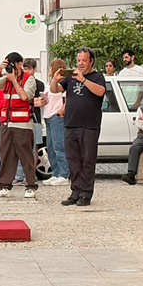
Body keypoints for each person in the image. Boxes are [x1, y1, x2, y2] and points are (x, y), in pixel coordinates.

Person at [50, 47, 106, 206]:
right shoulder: (71, 77)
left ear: (91, 61)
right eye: (79, 60)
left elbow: (101, 91)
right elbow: (55, 90)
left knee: (87, 160)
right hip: (70, 123)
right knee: (72, 160)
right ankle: (75, 191)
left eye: (84, 60)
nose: (80, 63)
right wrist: (55, 79)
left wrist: (83, 80)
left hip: (89, 125)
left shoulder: (97, 76)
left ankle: (86, 193)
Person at [0, 52, 38, 199]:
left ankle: (30, 186)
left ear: (20, 64)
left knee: (26, 157)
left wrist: (14, 80)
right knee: (6, 156)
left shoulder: (29, 79)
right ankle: (5, 186)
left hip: (22, 124)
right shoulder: (6, 79)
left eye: (12, 65)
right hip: (6, 124)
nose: (11, 68)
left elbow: (25, 97)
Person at [42, 59, 70, 186]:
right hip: (48, 116)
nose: (48, 70)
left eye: (50, 67)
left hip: (56, 116)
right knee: (51, 147)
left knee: (59, 146)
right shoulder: (49, 85)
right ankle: (55, 172)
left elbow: (67, 99)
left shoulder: (63, 83)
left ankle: (64, 174)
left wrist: (60, 112)